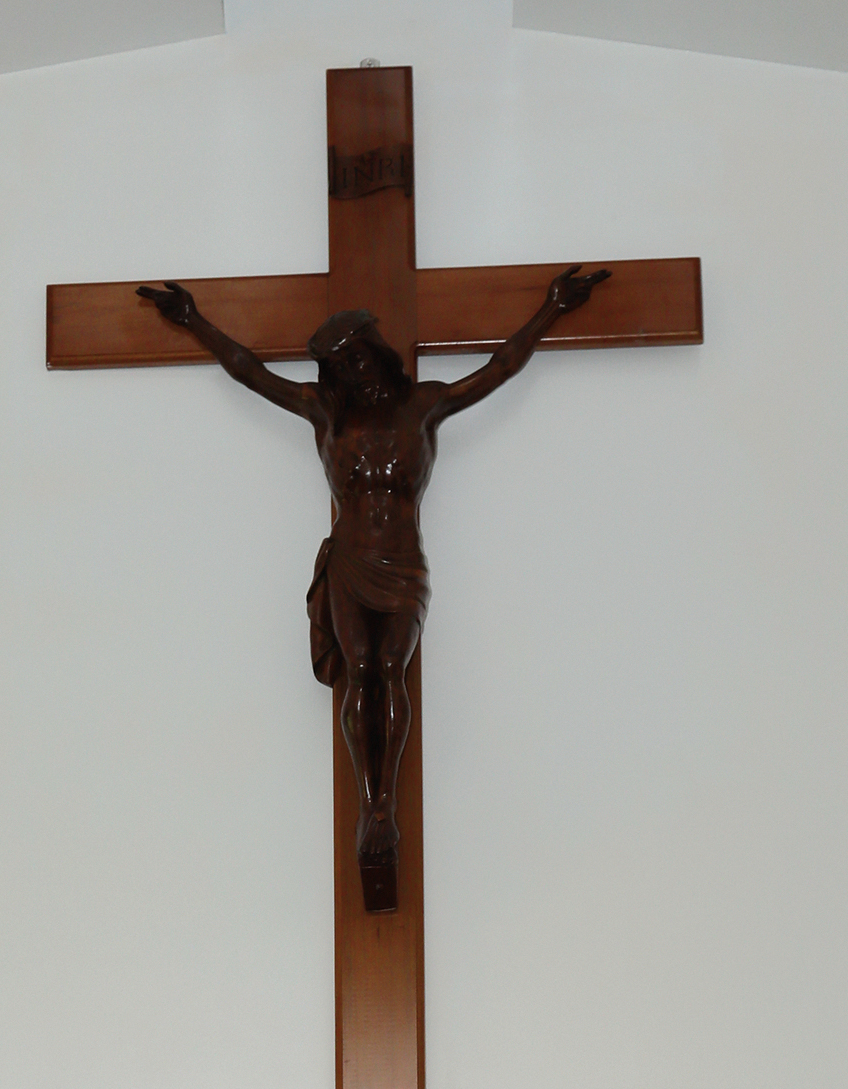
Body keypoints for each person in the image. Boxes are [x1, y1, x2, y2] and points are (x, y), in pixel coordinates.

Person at [138, 266, 610, 910]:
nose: (353, 372)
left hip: (402, 562)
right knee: (360, 668)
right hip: (351, 559)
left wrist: (553, 308)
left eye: (358, 358)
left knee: (391, 668)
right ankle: (373, 806)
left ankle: (385, 800)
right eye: (340, 366)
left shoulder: (424, 405)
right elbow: (249, 371)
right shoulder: (324, 411)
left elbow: (500, 368)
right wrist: (194, 321)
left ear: (378, 353)